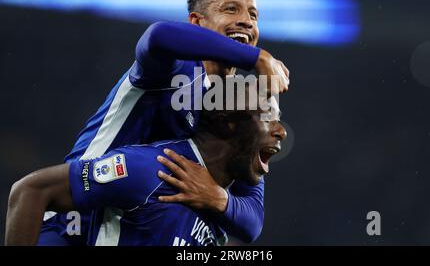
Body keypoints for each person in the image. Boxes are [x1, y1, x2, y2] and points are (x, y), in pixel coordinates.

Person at [38, 0, 290, 245]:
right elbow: (157, 36)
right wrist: (256, 56)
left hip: (135, 229)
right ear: (196, 23)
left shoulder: (235, 104)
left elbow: (252, 219)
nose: (246, 21)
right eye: (231, 10)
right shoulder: (173, 66)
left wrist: (218, 198)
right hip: (76, 219)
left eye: (253, 15)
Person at [6, 96, 287, 246]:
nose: (282, 131)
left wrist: (217, 199)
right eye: (268, 117)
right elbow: (30, 190)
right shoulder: (152, 168)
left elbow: (253, 226)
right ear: (229, 123)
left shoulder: (230, 196)